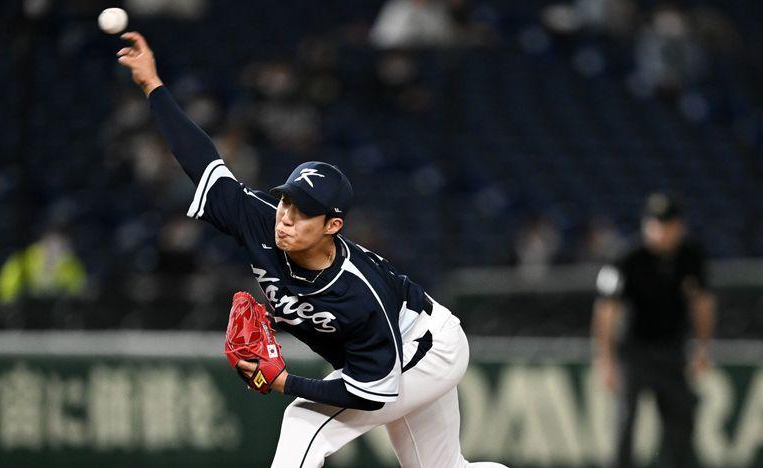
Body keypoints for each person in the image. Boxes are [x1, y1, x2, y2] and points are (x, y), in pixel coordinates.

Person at [116, 31, 507, 468]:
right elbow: (202, 160)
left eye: (303, 212)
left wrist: (285, 382)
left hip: (425, 347)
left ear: (332, 225)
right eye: (286, 200)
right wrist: (153, 85)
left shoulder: (358, 293)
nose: (286, 216)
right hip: (398, 348)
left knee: (305, 423)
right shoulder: (259, 216)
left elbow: (371, 394)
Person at [592, 193, 715, 468]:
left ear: (679, 227)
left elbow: (703, 304)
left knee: (681, 425)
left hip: (672, 352)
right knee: (625, 425)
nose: (659, 231)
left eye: (666, 225)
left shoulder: (690, 257)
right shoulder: (627, 257)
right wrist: (606, 359)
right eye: (654, 224)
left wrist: (704, 347)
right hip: (634, 353)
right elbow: (606, 310)